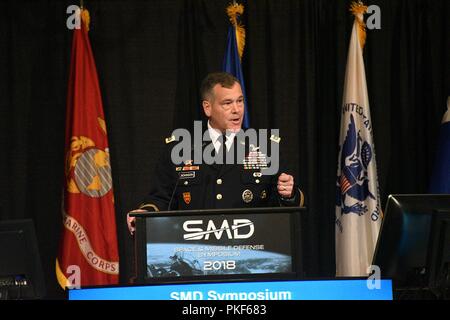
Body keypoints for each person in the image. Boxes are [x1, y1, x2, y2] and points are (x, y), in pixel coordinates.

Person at [127, 72, 304, 234]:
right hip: (197, 251)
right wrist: (144, 213)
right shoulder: (181, 148)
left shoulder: (264, 147)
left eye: (240, 101)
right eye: (227, 103)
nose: (237, 110)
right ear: (207, 108)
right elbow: (161, 199)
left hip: (251, 248)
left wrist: (288, 194)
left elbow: (287, 205)